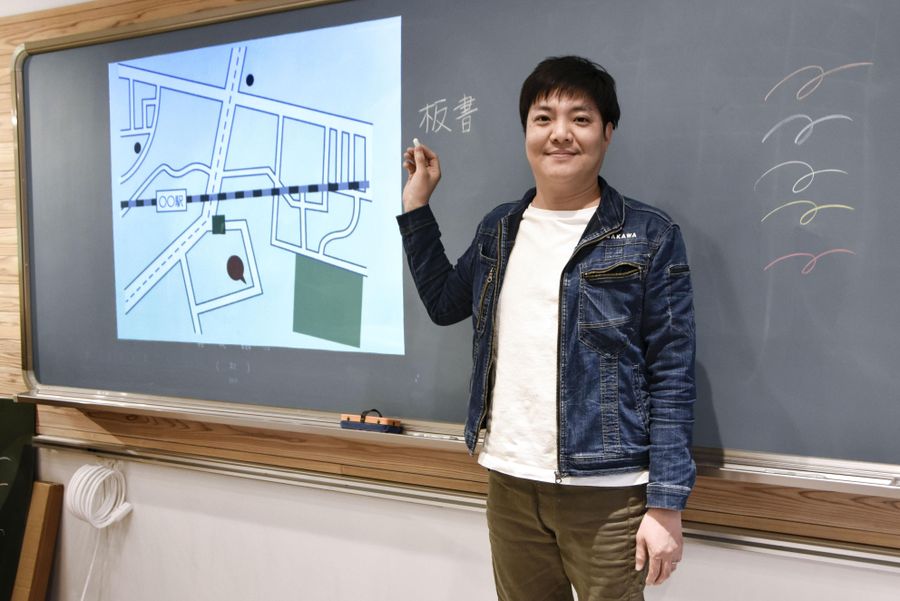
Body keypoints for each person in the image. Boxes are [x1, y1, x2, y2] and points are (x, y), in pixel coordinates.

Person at [397, 56, 696, 601]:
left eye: (580, 119)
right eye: (543, 118)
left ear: (607, 132)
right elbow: (443, 304)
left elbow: (672, 372)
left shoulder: (649, 235)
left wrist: (666, 503)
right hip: (509, 481)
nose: (560, 133)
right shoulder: (499, 229)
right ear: (526, 133)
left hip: (608, 493)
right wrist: (416, 206)